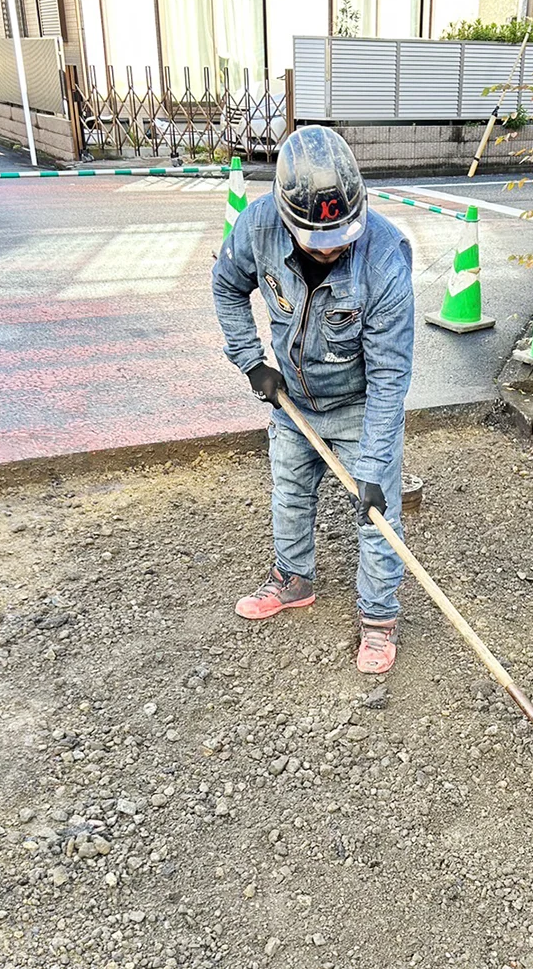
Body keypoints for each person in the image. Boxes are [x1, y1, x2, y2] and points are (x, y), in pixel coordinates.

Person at [213, 126, 414, 675]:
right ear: (285, 218)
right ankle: (293, 579)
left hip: (359, 405)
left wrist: (373, 465)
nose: (330, 248)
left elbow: (391, 375)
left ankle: (378, 619)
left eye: (342, 236)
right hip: (294, 401)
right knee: (290, 490)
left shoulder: (383, 260)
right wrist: (252, 362)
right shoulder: (258, 227)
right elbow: (228, 285)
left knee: (377, 514)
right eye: (315, 239)